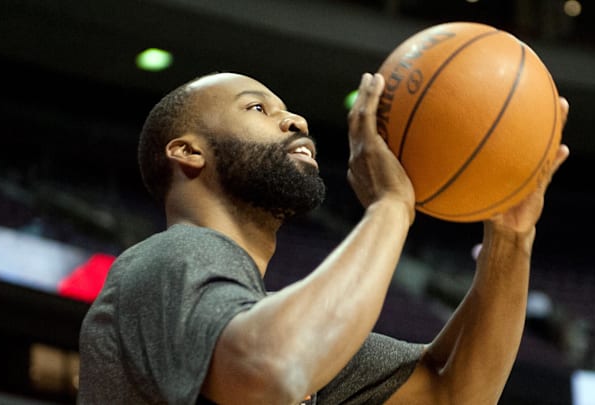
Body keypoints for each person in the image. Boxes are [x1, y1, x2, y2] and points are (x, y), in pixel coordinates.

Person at [78, 71, 570, 404]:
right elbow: (273, 366)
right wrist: (391, 206)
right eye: (257, 108)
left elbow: (452, 392)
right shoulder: (172, 256)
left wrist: (511, 236)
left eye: (287, 110)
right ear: (187, 152)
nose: (296, 121)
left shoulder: (274, 323)